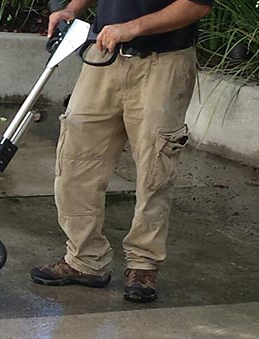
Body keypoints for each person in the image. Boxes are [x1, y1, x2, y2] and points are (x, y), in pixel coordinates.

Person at [30, 0, 213, 302]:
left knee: (155, 167)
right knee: (76, 156)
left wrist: (132, 28)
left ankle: (143, 264)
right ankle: (85, 259)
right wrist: (72, 9)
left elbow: (196, 5)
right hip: (105, 55)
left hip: (162, 63)